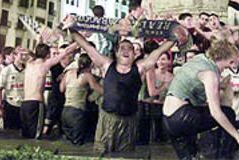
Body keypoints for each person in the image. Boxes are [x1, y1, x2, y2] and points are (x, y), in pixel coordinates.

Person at [63, 16, 176, 153]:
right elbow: (86, 46)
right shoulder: (106, 64)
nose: (126, 50)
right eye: (122, 48)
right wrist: (72, 29)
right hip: (107, 119)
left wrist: (174, 37)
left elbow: (158, 52)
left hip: (129, 121)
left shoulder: (140, 67)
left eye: (130, 48)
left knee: (125, 155)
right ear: (116, 53)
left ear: (135, 54)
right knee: (101, 153)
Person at [162, 39, 239, 159]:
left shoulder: (200, 58)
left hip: (168, 119)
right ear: (226, 59)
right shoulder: (210, 74)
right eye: (230, 63)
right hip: (183, 117)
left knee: (190, 157)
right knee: (228, 113)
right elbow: (216, 112)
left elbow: (195, 83)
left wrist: (220, 85)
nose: (227, 68)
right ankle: (224, 156)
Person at [20, 42, 78, 139]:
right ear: (47, 55)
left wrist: (32, 49)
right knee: (36, 135)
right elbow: (66, 52)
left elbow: (33, 54)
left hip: (24, 102)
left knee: (26, 135)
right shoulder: (45, 64)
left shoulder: (29, 64)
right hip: (36, 103)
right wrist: (78, 41)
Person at [60, 53, 103, 145]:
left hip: (65, 111)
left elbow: (61, 89)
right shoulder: (87, 76)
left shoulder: (69, 73)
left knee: (68, 144)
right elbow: (99, 90)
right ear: (91, 64)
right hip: (77, 112)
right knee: (78, 144)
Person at [0, 47, 29, 130]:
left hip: (24, 104)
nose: (24, 57)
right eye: (21, 55)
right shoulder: (7, 70)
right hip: (10, 104)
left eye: (25, 55)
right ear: (15, 55)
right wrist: (0, 106)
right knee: (9, 131)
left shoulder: (28, 70)